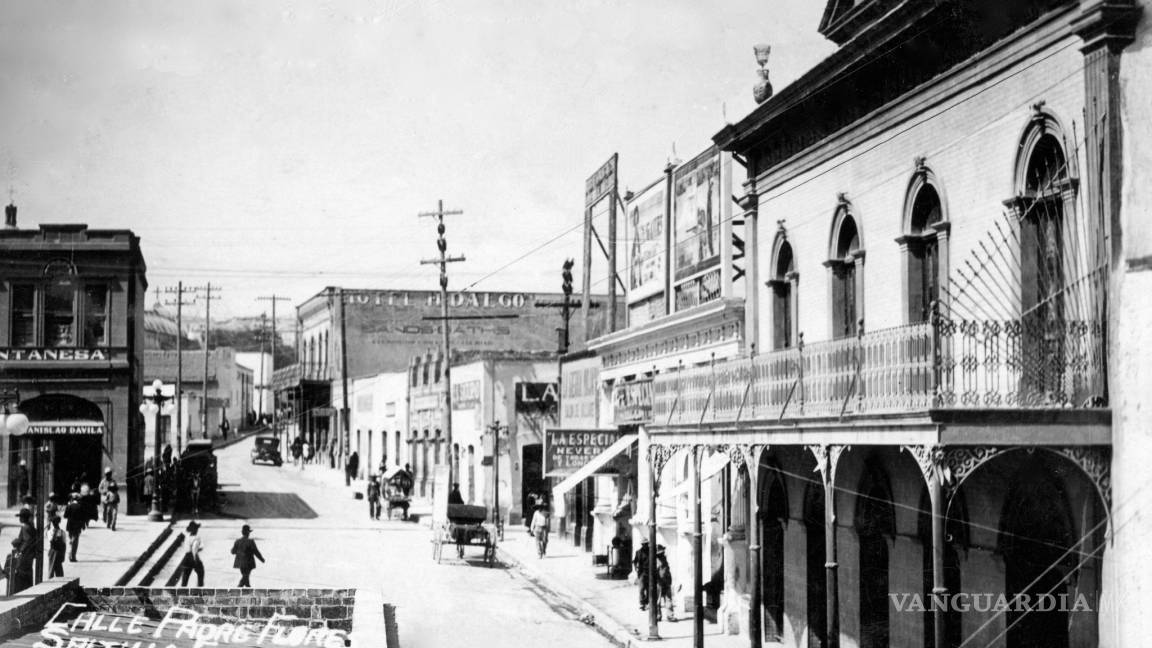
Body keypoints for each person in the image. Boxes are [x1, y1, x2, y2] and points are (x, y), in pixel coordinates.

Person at [9, 509, 37, 592]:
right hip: (29, 555)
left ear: (24, 518)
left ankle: (19, 592)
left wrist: (20, 551)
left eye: (21, 517)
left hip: (24, 556)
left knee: (20, 574)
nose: (19, 519)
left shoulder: (25, 527)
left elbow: (27, 541)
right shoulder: (30, 526)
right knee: (27, 574)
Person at [179, 521, 205, 586]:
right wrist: (196, 560)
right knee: (200, 572)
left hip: (186, 557)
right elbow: (194, 550)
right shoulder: (196, 538)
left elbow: (188, 547)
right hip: (192, 557)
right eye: (196, 528)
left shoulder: (187, 536)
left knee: (185, 576)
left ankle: (182, 591)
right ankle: (199, 589)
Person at [63, 493, 85, 562]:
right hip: (77, 526)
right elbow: (83, 517)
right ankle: (72, 556)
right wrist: (83, 525)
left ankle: (70, 554)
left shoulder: (69, 506)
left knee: (71, 540)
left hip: (70, 525)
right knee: (75, 541)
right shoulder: (80, 506)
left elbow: (65, 516)